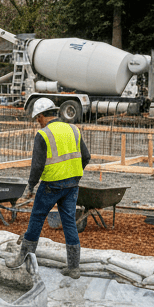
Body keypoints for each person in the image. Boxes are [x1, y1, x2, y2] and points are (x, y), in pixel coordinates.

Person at [11, 99, 91, 278]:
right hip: (72, 185)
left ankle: (23, 261)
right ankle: (74, 267)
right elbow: (86, 157)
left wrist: (30, 186)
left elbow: (37, 166)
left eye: (37, 118)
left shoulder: (44, 134)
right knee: (69, 222)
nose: (37, 122)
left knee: (37, 219)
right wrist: (76, 174)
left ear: (41, 116)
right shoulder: (73, 129)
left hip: (51, 185)